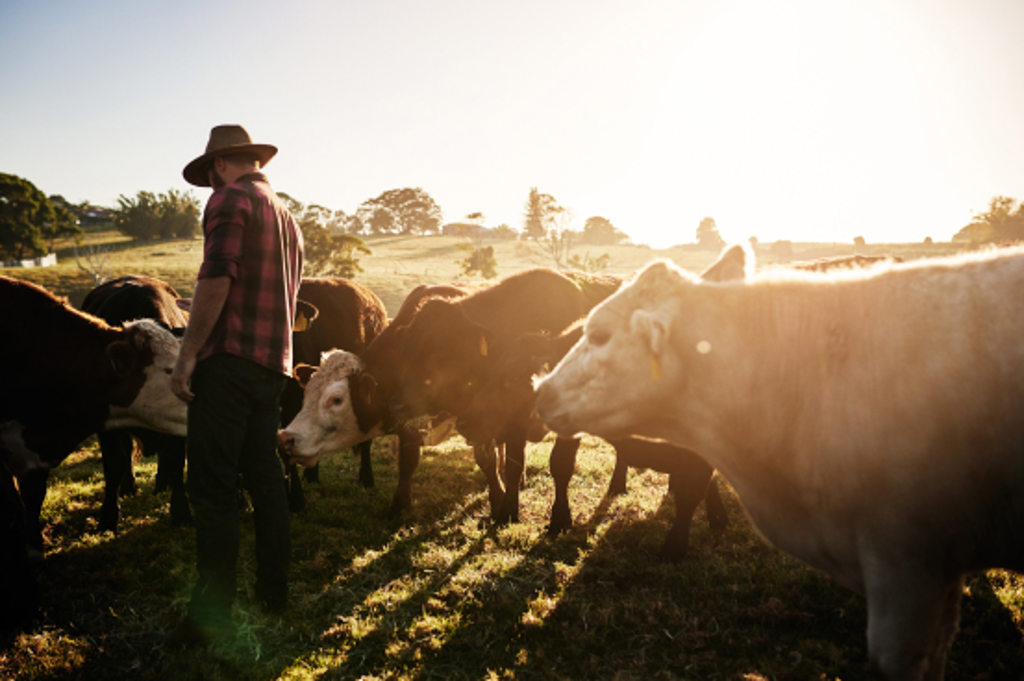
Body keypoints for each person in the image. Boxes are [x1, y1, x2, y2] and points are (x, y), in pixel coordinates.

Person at [170, 124, 304, 642]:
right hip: (273, 365)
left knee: (213, 486)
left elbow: (218, 274)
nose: (209, 184)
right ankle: (273, 592)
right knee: (264, 475)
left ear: (222, 164)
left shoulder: (229, 201)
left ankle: (211, 614)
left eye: (209, 174)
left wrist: (187, 356)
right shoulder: (288, 217)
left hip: (227, 363)